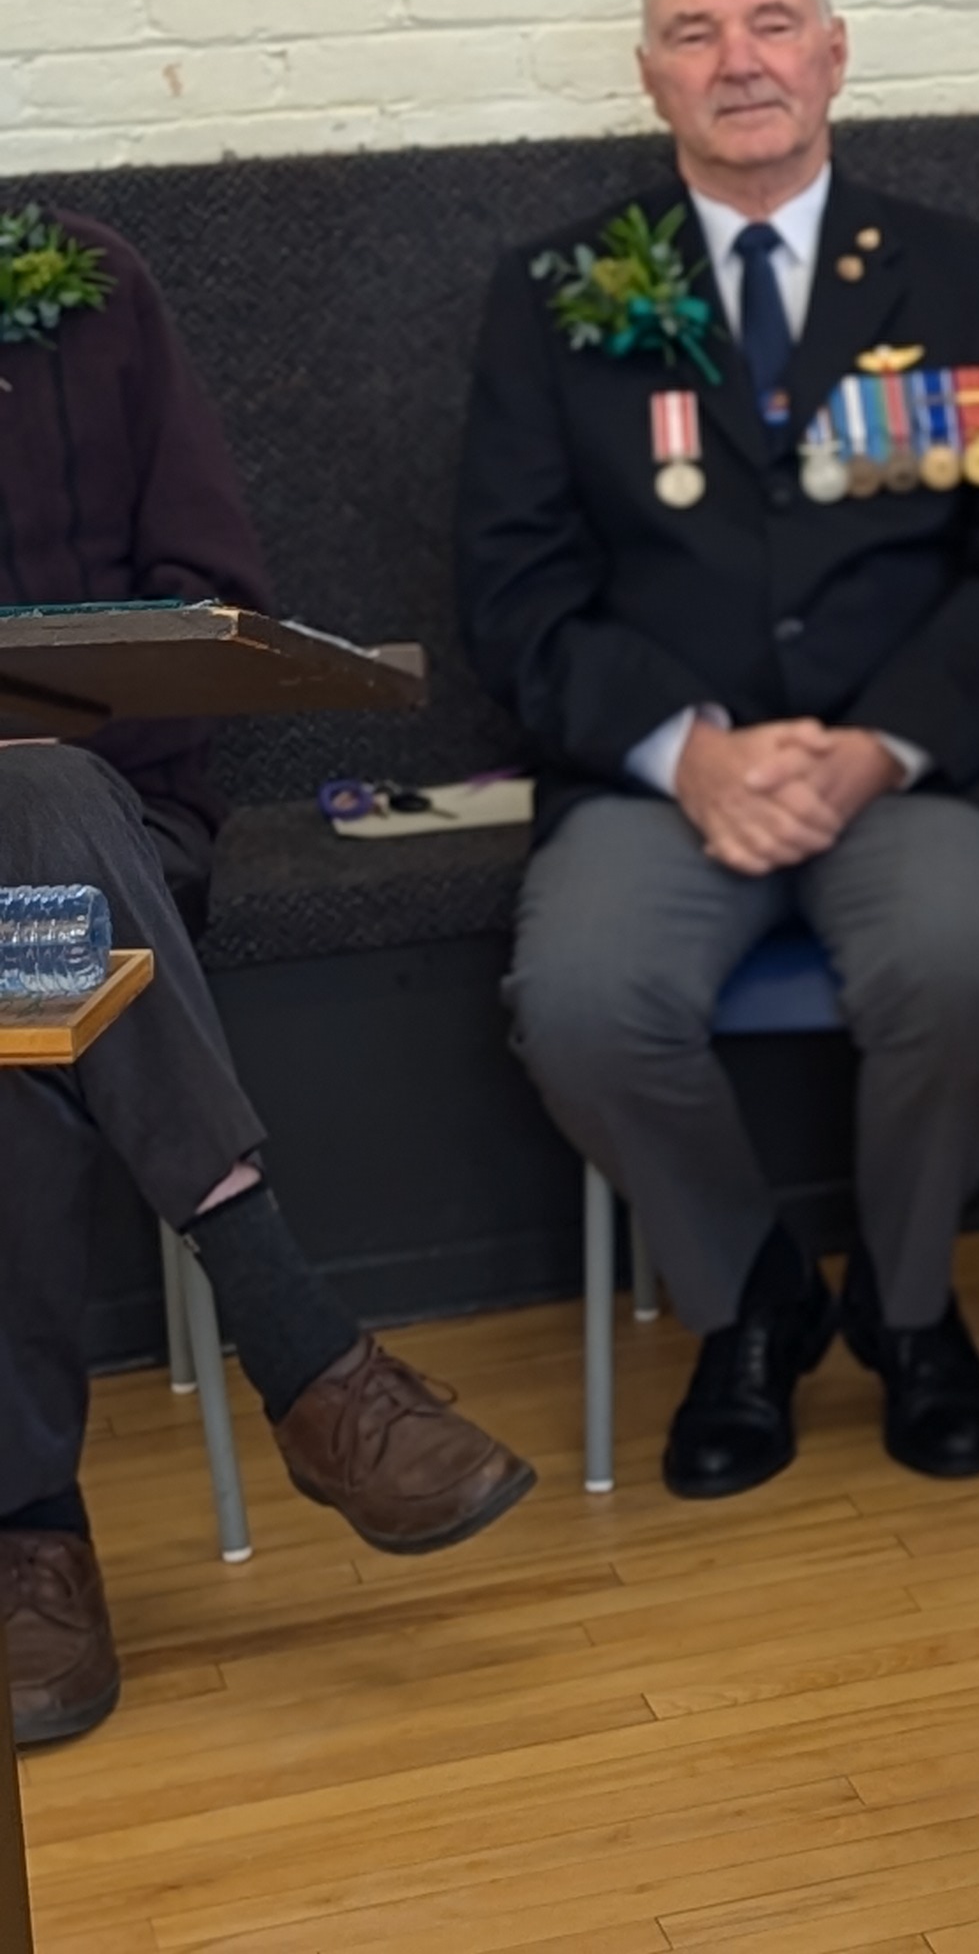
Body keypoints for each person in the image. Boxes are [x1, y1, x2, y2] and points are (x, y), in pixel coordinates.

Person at [458, 0, 979, 1499]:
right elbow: (515, 596)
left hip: (913, 767)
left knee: (958, 967)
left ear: (832, 52)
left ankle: (906, 1305)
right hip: (661, 781)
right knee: (582, 997)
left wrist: (877, 746)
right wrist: (691, 756)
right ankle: (751, 1299)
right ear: (649, 78)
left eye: (768, 24)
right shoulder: (556, 298)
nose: (737, 61)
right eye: (695, 34)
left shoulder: (970, 277)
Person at [4, 210, 532, 1750]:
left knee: (33, 850)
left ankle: (27, 1538)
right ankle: (302, 1349)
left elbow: (209, 587)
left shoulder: (84, 287)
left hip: (110, 823)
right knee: (21, 937)